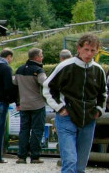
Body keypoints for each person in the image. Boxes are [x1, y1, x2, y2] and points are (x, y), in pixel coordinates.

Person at [44, 34, 107, 173]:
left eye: (93, 50)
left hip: (89, 119)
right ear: (79, 48)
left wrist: (98, 110)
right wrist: (60, 108)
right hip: (67, 117)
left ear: (97, 51)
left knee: (80, 166)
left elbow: (102, 93)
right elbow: (47, 87)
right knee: (70, 161)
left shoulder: (98, 70)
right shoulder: (66, 66)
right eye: (86, 49)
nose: (89, 54)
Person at [13, 48, 47, 164]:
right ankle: (35, 156)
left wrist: (17, 103)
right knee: (37, 130)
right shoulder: (38, 70)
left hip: (24, 105)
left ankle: (21, 156)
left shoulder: (19, 69)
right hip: (37, 105)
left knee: (24, 130)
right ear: (37, 57)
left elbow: (14, 85)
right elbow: (45, 83)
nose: (42, 57)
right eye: (41, 55)